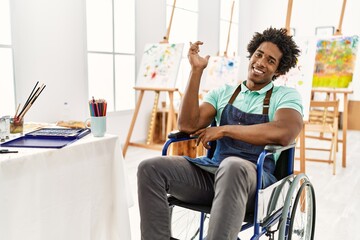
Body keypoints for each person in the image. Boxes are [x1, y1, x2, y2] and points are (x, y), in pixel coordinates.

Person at [137, 27, 303, 240]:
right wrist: (196, 71)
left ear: (278, 70)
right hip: (212, 175)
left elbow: (284, 132)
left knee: (233, 165)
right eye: (259, 55)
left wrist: (225, 129)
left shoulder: (286, 96)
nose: (261, 62)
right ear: (251, 55)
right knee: (149, 168)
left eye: (271, 61)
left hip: (256, 183)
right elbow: (188, 124)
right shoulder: (223, 93)